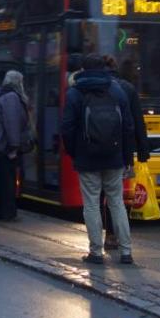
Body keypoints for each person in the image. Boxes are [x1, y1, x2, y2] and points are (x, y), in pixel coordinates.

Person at [61, 54, 136, 265]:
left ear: (83, 68)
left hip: (87, 158)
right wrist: (127, 156)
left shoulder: (75, 92)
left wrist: (75, 152)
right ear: (104, 68)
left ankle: (96, 252)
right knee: (117, 203)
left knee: (92, 204)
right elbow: (128, 126)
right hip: (114, 157)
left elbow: (67, 127)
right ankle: (126, 251)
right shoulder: (117, 90)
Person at [102, 55, 151, 249]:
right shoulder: (127, 89)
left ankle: (98, 242)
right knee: (116, 196)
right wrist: (142, 152)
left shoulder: (86, 88)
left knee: (95, 198)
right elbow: (137, 123)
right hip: (120, 151)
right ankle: (119, 240)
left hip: (92, 151)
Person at [0, 70, 30, 221]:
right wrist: (14, 147)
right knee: (7, 180)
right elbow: (12, 122)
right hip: (3, 145)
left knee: (0, 179)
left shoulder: (1, 94)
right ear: (18, 82)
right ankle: (7, 213)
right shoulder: (11, 97)